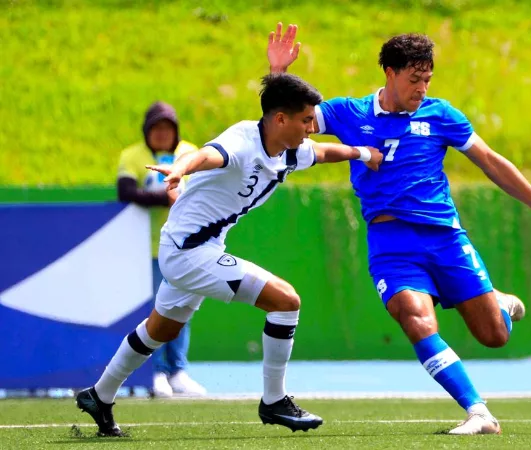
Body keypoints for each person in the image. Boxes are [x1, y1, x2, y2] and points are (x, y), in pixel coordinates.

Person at [268, 23, 531, 435]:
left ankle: (500, 304)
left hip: (444, 238)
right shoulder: (349, 113)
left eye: (428, 79)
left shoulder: (441, 115)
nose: (422, 88)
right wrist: (278, 74)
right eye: (414, 79)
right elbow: (288, 124)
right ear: (390, 73)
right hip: (391, 245)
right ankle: (479, 413)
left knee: (493, 336)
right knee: (415, 319)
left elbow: (490, 162)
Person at [76, 72, 383, 437]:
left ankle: (99, 395)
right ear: (280, 119)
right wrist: (180, 168)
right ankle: (274, 400)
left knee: (161, 329)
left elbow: (325, 153)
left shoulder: (289, 149)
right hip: (188, 252)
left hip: (199, 248)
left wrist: (363, 153)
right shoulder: (242, 141)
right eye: (305, 120)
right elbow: (208, 155)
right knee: (286, 301)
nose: (312, 127)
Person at [117, 101, 207, 398]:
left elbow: (202, 190)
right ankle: (153, 371)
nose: (161, 133)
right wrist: (164, 198)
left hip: (186, 247)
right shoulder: (132, 156)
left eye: (167, 127)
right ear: (146, 131)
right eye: (156, 127)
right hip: (147, 248)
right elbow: (125, 192)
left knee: (183, 309)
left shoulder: (189, 152)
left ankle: (177, 370)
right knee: (154, 312)